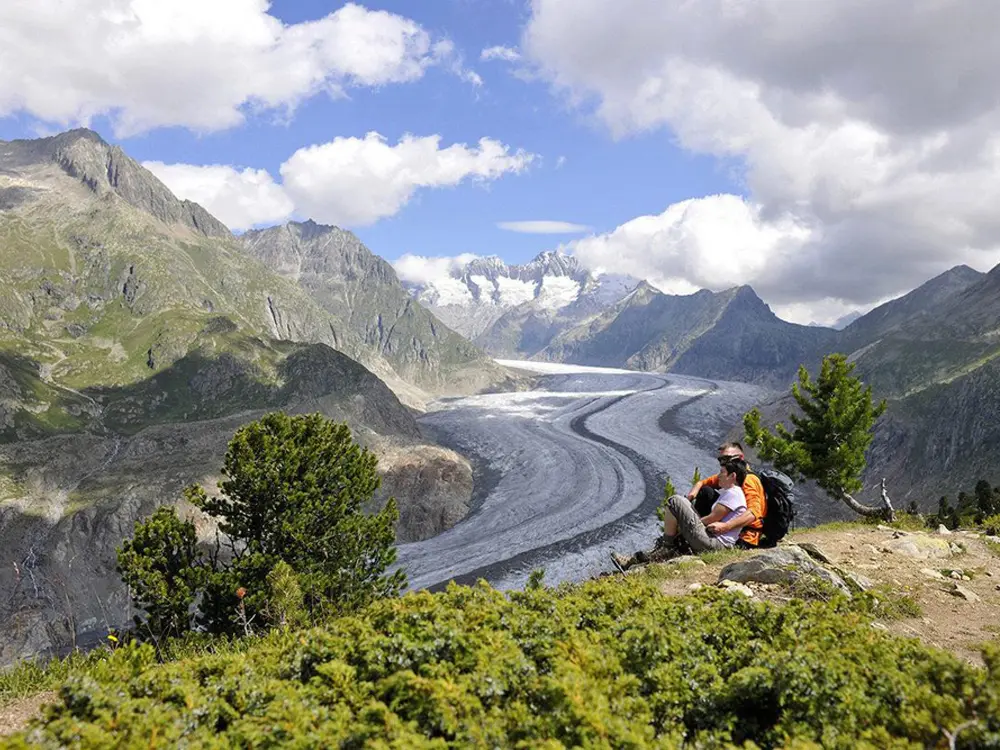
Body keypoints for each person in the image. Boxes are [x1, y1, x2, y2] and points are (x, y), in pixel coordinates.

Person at [611, 457, 750, 571]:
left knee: (675, 501)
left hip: (715, 543)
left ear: (732, 476)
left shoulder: (733, 493)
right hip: (714, 541)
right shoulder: (732, 493)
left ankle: (667, 547)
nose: (719, 476)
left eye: (722, 472)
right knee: (681, 506)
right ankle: (651, 554)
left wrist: (685, 524)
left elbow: (712, 519)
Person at [690, 442, 766, 549]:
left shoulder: (749, 480)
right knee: (706, 491)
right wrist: (691, 496)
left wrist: (726, 526)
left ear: (741, 458)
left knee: (706, 493)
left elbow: (753, 514)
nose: (723, 463)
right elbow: (702, 483)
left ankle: (695, 534)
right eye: (721, 460)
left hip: (746, 536)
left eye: (726, 459)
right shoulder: (731, 476)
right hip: (734, 528)